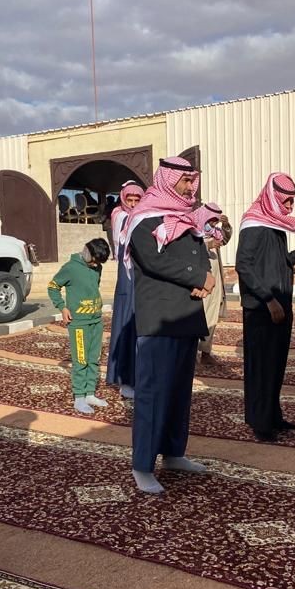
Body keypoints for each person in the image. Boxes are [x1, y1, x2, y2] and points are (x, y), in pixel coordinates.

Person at [126, 156, 214, 494]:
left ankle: (174, 453)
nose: (191, 187)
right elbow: (153, 259)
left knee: (178, 393)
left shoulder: (186, 217)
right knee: (153, 394)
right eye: (185, 181)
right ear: (168, 179)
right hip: (160, 318)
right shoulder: (144, 217)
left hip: (186, 315)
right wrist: (197, 277)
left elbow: (199, 254)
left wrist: (203, 276)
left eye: (193, 181)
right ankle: (142, 465)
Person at [235, 173, 295, 442]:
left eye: (291, 202)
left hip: (279, 304)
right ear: (273, 198)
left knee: (275, 365)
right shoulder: (253, 224)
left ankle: (273, 416)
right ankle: (260, 423)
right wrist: (268, 299)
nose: (290, 207)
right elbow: (244, 265)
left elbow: (280, 262)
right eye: (286, 201)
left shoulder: (273, 223)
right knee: (261, 367)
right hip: (262, 308)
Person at [49, 238, 111, 414]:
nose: (96, 265)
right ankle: (79, 397)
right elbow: (53, 287)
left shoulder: (97, 267)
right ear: (87, 252)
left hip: (96, 320)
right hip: (79, 324)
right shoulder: (70, 268)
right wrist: (62, 307)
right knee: (81, 360)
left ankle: (90, 393)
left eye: (98, 263)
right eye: (94, 261)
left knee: (94, 359)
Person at [105, 182, 144, 399]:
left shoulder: (141, 216)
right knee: (126, 326)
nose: (133, 204)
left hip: (141, 279)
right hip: (127, 282)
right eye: (130, 200)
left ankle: (139, 377)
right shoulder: (120, 216)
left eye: (137, 200)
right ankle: (125, 379)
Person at [194, 203, 233, 363]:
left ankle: (205, 351)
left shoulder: (215, 232)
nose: (213, 224)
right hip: (199, 280)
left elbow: (224, 239)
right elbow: (189, 248)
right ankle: (191, 352)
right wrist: (207, 245)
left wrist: (226, 226)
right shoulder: (193, 230)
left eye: (215, 221)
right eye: (211, 220)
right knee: (198, 315)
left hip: (215, 281)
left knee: (211, 315)